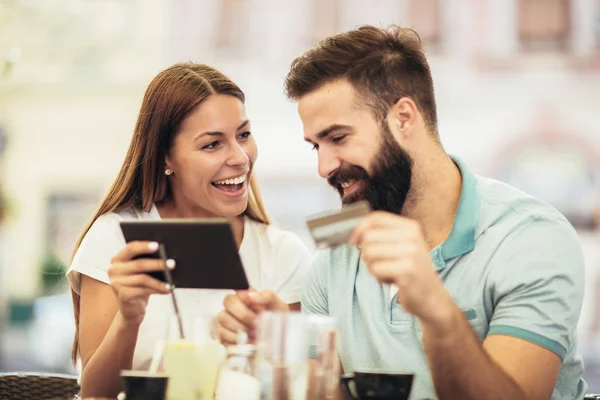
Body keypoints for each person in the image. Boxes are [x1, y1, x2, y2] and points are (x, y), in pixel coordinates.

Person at [216, 26, 586, 400]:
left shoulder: (532, 239)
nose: (324, 167)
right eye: (316, 147)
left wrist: (436, 310)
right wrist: (285, 343)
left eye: (338, 138)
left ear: (404, 118)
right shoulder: (333, 263)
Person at [67, 63, 311, 398]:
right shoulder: (116, 238)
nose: (240, 158)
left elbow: (298, 389)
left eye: (243, 135)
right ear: (167, 157)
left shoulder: (282, 253)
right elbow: (95, 394)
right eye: (212, 144)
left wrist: (277, 341)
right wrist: (129, 317)